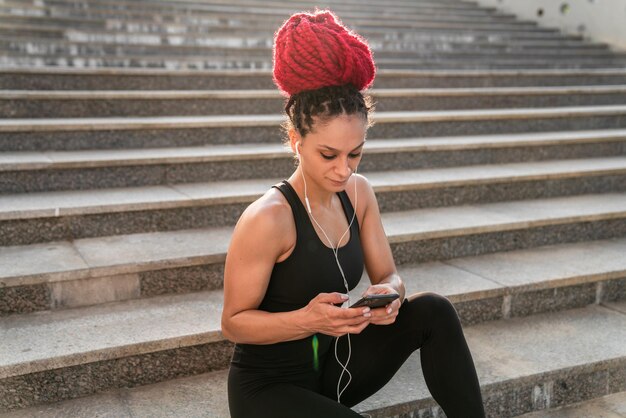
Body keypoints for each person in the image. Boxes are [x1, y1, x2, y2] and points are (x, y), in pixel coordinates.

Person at [221, 10, 486, 418]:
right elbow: (234, 323)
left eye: (355, 154)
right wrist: (308, 320)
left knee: (433, 310)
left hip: (333, 370)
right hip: (268, 389)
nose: (344, 169)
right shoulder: (269, 217)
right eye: (328, 154)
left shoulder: (358, 193)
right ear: (295, 140)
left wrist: (390, 298)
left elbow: (390, 276)